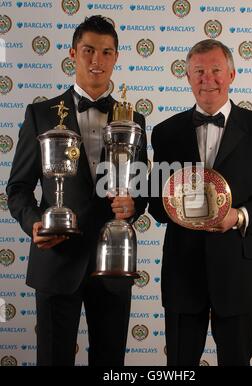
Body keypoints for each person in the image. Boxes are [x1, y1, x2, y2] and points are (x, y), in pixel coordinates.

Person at [6, 15, 147, 366]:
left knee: (110, 362)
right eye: (88, 51)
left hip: (113, 263)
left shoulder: (134, 119)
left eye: (106, 52)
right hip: (56, 259)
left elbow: (141, 190)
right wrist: (34, 224)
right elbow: (18, 188)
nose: (96, 61)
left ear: (116, 57)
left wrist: (133, 206)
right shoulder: (40, 114)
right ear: (72, 53)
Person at [148, 39, 252, 366]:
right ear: (187, 77)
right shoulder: (165, 133)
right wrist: (177, 204)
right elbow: (156, 205)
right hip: (182, 273)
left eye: (216, 70)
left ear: (231, 74)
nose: (208, 79)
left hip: (237, 272)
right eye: (199, 71)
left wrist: (240, 216)